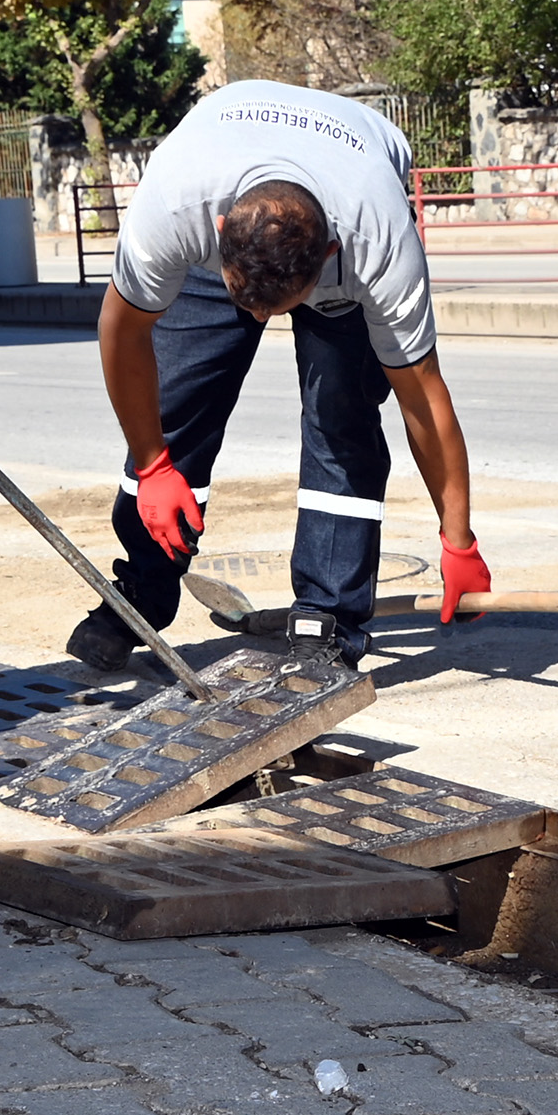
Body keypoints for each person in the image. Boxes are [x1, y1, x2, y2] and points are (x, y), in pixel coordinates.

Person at [67, 79, 489, 675]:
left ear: (327, 255)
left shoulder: (379, 243)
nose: (262, 320)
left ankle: (329, 618)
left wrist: (458, 538)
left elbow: (422, 394)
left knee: (340, 423)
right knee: (174, 404)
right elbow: (122, 332)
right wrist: (153, 464)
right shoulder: (174, 204)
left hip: (346, 219)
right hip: (238, 205)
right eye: (251, 301)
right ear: (216, 237)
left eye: (278, 305)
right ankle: (141, 592)